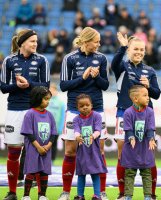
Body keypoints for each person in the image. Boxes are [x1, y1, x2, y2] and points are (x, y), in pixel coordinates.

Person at [58, 27, 109, 200]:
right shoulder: (69, 58)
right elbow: (63, 86)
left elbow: (105, 85)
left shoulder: (101, 58)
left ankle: (101, 192)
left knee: (99, 151)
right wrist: (84, 77)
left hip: (97, 109)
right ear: (86, 41)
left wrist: (96, 77)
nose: (99, 44)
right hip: (74, 109)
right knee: (71, 151)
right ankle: (66, 191)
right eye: (96, 41)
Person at [0, 29, 50, 200]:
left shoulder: (42, 60)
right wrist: (16, 85)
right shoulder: (9, 61)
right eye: (32, 41)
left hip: (35, 110)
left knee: (36, 152)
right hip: (14, 110)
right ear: (22, 43)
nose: (35, 44)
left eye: (36, 41)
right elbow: (4, 87)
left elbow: (46, 87)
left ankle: (38, 194)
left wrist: (29, 84)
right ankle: (12, 192)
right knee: (14, 152)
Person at [111, 32, 160, 200]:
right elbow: (114, 63)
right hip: (124, 111)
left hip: (146, 115)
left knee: (148, 153)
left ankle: (151, 194)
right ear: (129, 50)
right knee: (122, 152)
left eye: (141, 49)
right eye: (135, 49)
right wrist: (123, 46)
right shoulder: (122, 66)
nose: (138, 52)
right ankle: (123, 193)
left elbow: (156, 94)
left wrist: (149, 87)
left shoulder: (150, 70)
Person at [20, 86, 57, 200]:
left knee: (44, 172)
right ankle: (26, 195)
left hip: (46, 150)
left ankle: (42, 195)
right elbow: (28, 133)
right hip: (33, 149)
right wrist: (38, 147)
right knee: (31, 171)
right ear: (38, 98)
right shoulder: (30, 114)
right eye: (45, 99)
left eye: (48, 99)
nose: (47, 102)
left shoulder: (50, 115)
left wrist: (48, 145)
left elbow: (53, 133)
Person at [121, 85, 156, 200]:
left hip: (145, 148)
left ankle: (147, 196)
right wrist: (131, 138)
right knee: (130, 173)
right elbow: (128, 129)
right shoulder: (128, 112)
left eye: (148, 95)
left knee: (146, 173)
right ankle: (128, 196)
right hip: (131, 149)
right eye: (145, 95)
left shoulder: (150, 112)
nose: (148, 98)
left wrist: (151, 139)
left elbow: (151, 128)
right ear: (135, 99)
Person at [73, 94, 108, 200]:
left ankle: (97, 195)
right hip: (82, 151)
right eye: (81, 105)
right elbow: (76, 131)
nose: (85, 107)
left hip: (94, 150)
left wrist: (93, 136)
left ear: (91, 105)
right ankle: (80, 195)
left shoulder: (97, 116)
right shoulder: (76, 119)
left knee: (95, 173)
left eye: (87, 105)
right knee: (81, 174)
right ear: (77, 107)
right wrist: (77, 136)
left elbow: (98, 130)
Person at [48, 83, 66, 161]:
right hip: (45, 128)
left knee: (53, 145)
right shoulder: (46, 101)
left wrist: (60, 128)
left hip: (55, 128)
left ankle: (52, 161)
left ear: (56, 91)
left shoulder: (61, 103)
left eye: (53, 90)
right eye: (50, 90)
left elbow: (63, 116)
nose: (52, 91)